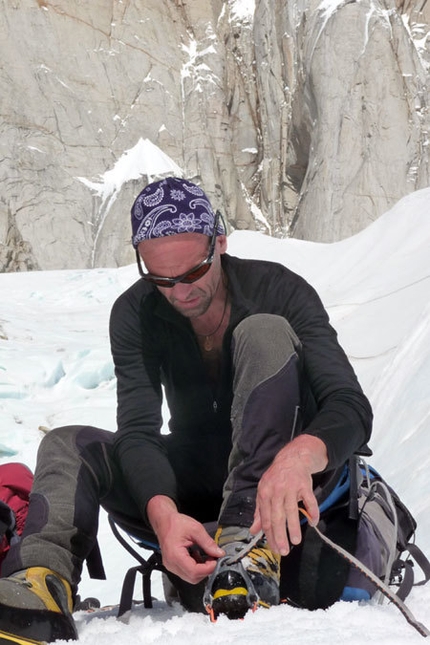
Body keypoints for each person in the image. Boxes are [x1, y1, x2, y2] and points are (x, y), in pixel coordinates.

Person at [0, 177, 372, 644]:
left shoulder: (279, 291)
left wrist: (299, 455)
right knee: (68, 443)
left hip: (289, 478)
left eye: (193, 274)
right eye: (162, 280)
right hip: (197, 478)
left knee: (264, 332)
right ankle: (40, 579)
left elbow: (350, 407)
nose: (179, 294)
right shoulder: (134, 313)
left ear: (219, 242)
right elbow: (137, 430)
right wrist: (163, 515)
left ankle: (246, 550)